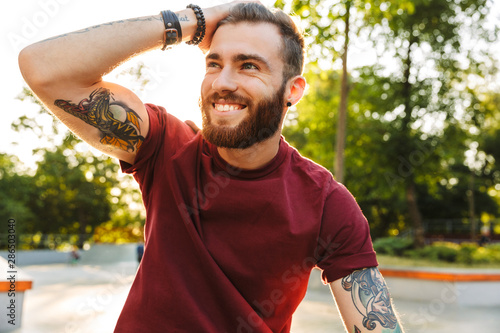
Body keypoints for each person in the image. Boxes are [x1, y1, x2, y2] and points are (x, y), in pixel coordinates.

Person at [18, 2, 405, 332]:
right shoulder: (164, 148)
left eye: (248, 66)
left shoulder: (325, 202)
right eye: (214, 63)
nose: (223, 82)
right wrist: (192, 20)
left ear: (293, 90)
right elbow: (43, 68)